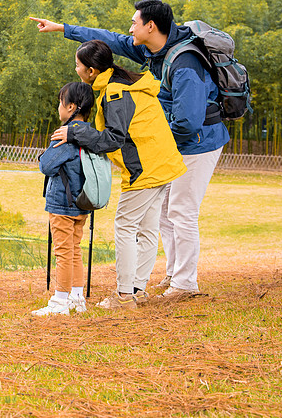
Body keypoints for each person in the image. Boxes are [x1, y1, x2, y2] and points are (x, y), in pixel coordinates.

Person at [30, 0, 230, 300]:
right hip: (163, 153)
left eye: (134, 23)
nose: (129, 28)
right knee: (160, 217)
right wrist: (63, 28)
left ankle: (169, 286)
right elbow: (109, 40)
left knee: (176, 213)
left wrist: (149, 139)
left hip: (198, 142)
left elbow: (187, 122)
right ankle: (152, 283)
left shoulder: (183, 63)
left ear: (151, 26)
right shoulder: (150, 50)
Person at [50, 40, 186, 309]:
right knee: (147, 229)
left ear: (91, 70)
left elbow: (113, 138)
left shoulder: (115, 92)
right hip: (162, 163)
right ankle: (136, 289)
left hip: (145, 168)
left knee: (125, 227)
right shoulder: (123, 84)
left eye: (77, 65)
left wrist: (74, 132)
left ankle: (124, 296)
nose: (75, 69)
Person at [32, 82, 95, 316]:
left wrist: (45, 154)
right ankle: (77, 299)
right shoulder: (90, 134)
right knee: (75, 250)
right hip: (82, 203)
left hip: (62, 204)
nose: (58, 107)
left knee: (63, 252)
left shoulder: (64, 135)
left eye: (60, 102)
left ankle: (59, 302)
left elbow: (46, 165)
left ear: (70, 107)